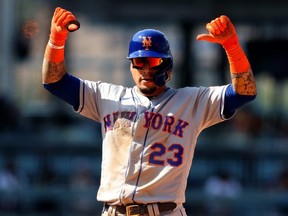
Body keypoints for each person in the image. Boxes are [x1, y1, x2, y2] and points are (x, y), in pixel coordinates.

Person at [42, 7, 257, 216]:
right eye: (139, 61)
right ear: (131, 66)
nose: (145, 69)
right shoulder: (106, 96)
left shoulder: (192, 101)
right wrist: (56, 40)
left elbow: (243, 92)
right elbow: (55, 82)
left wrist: (232, 47)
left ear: (167, 67)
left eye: (152, 61)